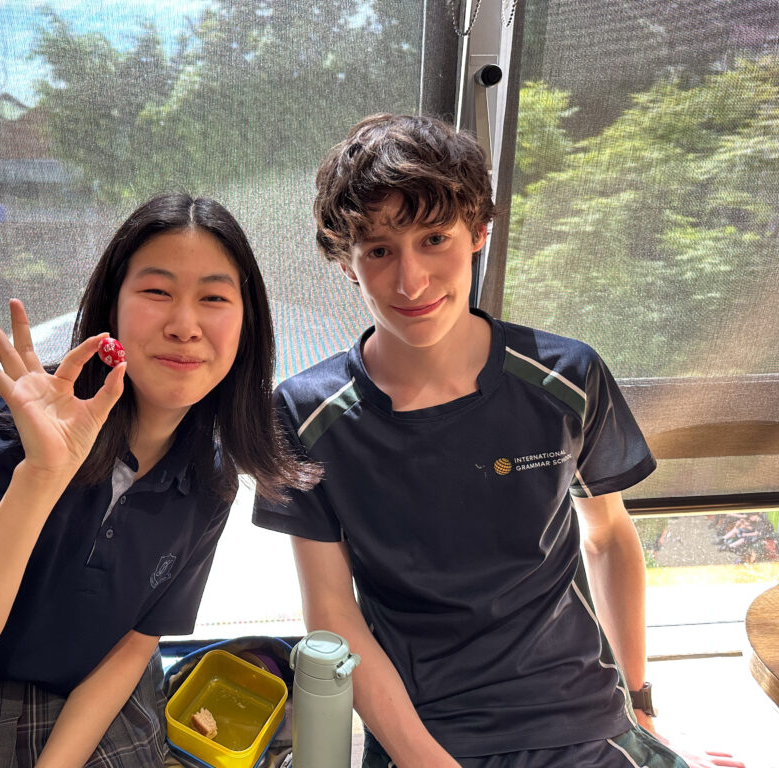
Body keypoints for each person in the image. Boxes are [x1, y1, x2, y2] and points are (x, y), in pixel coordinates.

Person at [253, 115, 744, 768]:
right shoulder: (304, 415)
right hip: (426, 734)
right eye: (378, 250)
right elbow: (331, 614)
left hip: (585, 718)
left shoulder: (566, 378)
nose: (411, 281)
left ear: (479, 231)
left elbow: (608, 537)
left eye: (434, 239)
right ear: (346, 262)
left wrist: (641, 707)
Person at [0, 193, 316, 768]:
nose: (184, 325)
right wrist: (42, 475)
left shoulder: (212, 474)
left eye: (215, 298)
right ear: (114, 310)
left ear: (247, 326)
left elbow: (136, 644)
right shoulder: (12, 430)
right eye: (156, 292)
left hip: (93, 696)